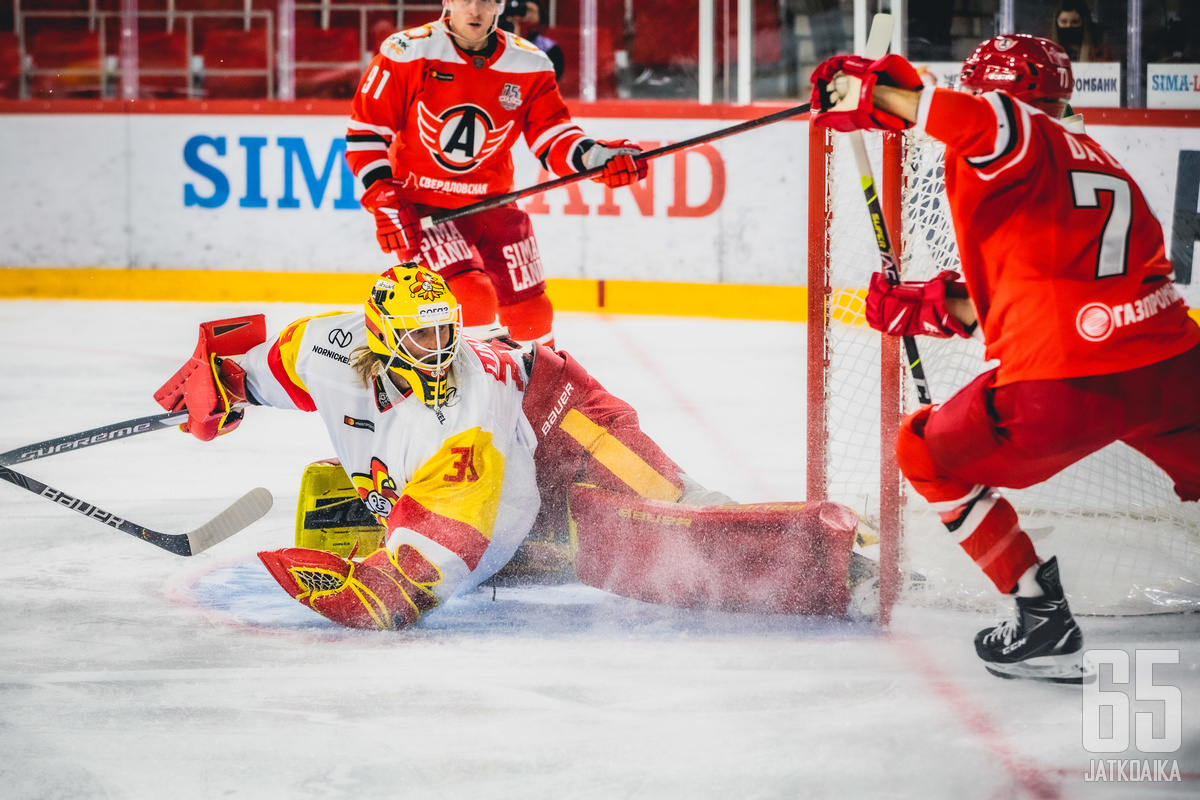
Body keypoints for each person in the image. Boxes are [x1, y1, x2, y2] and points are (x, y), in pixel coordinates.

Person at [153, 264, 863, 630]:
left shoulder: (471, 401)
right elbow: (261, 370)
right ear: (380, 337)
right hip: (500, 453)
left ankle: (826, 562)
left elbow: (481, 521)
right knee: (546, 542)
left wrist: (398, 585)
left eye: (446, 331)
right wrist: (222, 383)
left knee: (671, 504)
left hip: (560, 411)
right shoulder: (325, 347)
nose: (439, 350)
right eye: (423, 336)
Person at [809, 35, 1200, 682]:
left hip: (1066, 386)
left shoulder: (1017, 130)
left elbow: (980, 120)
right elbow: (1058, 283)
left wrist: (874, 94)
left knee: (922, 453)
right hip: (1177, 369)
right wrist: (938, 307)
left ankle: (1039, 617)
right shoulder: (1095, 155)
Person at [345, 0, 646, 348]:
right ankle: (464, 392)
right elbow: (366, 131)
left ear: (500, 4)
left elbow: (552, 135)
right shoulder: (407, 51)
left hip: (494, 202)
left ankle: (534, 395)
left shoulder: (529, 62)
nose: (475, 10)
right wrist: (383, 197)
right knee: (471, 297)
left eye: (487, 1)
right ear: (447, 1)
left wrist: (596, 157)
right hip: (424, 207)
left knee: (533, 315)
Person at [500, 0, 564, 82]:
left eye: (530, 10)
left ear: (540, 16)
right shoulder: (501, 40)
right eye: (523, 10)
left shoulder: (549, 47)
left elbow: (554, 76)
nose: (526, 15)